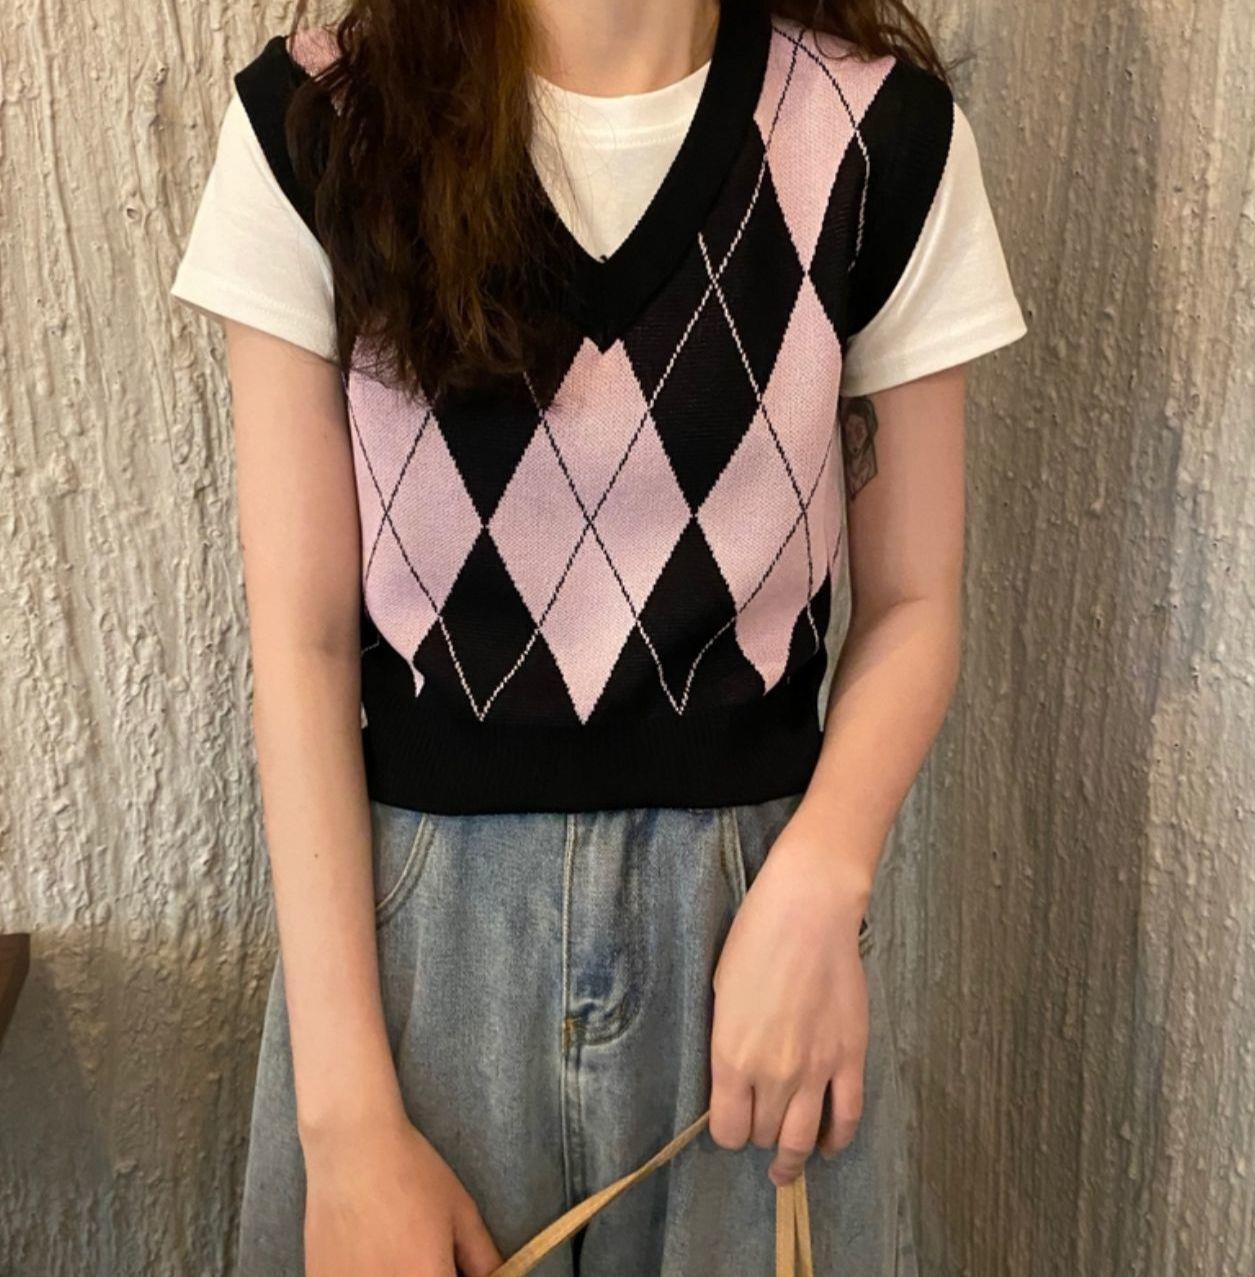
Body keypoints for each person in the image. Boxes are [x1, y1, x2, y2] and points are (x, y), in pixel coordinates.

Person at [170, 0, 1025, 1272]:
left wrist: (824, 873)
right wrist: (346, 1129)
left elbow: (912, 599)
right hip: (410, 963)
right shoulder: (319, 129)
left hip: (756, 947)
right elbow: (301, 648)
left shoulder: (875, 140)